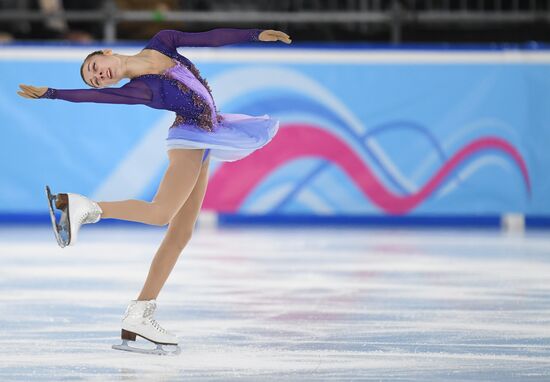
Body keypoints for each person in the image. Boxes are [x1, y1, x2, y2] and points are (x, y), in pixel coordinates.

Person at [17, 27, 292, 355]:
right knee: (161, 212)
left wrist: (254, 35)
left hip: (208, 134)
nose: (99, 77)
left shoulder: (164, 42)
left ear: (104, 53)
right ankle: (80, 206)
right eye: (96, 79)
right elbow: (96, 97)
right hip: (190, 138)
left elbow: (210, 38)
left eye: (94, 69)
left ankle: (140, 315)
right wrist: (52, 93)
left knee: (181, 234)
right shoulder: (142, 90)